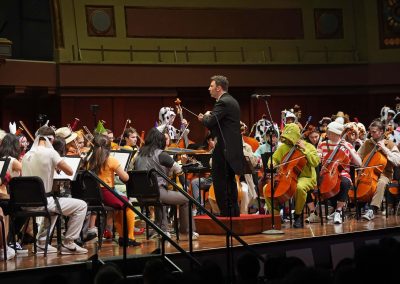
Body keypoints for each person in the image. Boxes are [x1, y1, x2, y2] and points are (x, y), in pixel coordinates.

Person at [21, 126, 88, 255]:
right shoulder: (50, 153)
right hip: (43, 202)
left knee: (54, 208)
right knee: (81, 206)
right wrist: (56, 165)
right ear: (51, 140)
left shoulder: (27, 155)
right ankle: (69, 243)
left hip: (26, 204)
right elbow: (69, 171)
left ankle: (41, 243)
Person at [134, 128, 198, 240]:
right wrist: (185, 186)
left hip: (140, 195)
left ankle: (161, 230)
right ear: (161, 141)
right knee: (186, 199)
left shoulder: (138, 155)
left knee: (161, 200)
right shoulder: (161, 154)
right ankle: (187, 232)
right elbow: (179, 170)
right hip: (157, 192)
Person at [198, 75, 244, 217]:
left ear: (218, 88)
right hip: (233, 148)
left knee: (220, 182)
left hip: (224, 148)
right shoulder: (233, 101)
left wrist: (203, 118)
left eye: (211, 86)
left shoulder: (223, 102)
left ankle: (225, 214)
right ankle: (233, 213)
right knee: (230, 182)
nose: (209, 88)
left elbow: (210, 121)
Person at [87, 134, 141, 246]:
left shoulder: (90, 161)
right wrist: (120, 169)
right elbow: (126, 177)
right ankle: (129, 238)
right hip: (106, 192)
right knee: (129, 205)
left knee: (120, 207)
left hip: (95, 195)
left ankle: (122, 237)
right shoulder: (111, 160)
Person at [264, 123, 320, 228]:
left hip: (306, 177)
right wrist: (272, 164)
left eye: (290, 138)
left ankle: (298, 215)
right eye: (286, 138)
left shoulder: (308, 146)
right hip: (286, 176)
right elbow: (273, 159)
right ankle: (276, 216)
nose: (288, 141)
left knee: (299, 187)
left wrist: (305, 149)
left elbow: (316, 162)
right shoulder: (283, 147)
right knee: (266, 189)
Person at [306, 121, 362, 224]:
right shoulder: (322, 144)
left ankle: (338, 211)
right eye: (329, 132)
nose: (329, 135)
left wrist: (348, 148)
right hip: (326, 174)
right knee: (310, 185)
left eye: (333, 133)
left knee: (345, 183)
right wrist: (318, 157)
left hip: (342, 174)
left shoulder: (347, 145)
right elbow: (317, 160)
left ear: (339, 134)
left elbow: (359, 163)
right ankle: (316, 213)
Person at [357, 120, 400, 220]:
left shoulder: (389, 144)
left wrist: (385, 149)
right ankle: (359, 207)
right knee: (359, 183)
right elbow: (359, 157)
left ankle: (372, 209)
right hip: (368, 173)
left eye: (374, 132)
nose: (371, 134)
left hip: (385, 174)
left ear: (381, 132)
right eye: (370, 132)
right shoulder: (367, 143)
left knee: (380, 183)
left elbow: (397, 161)